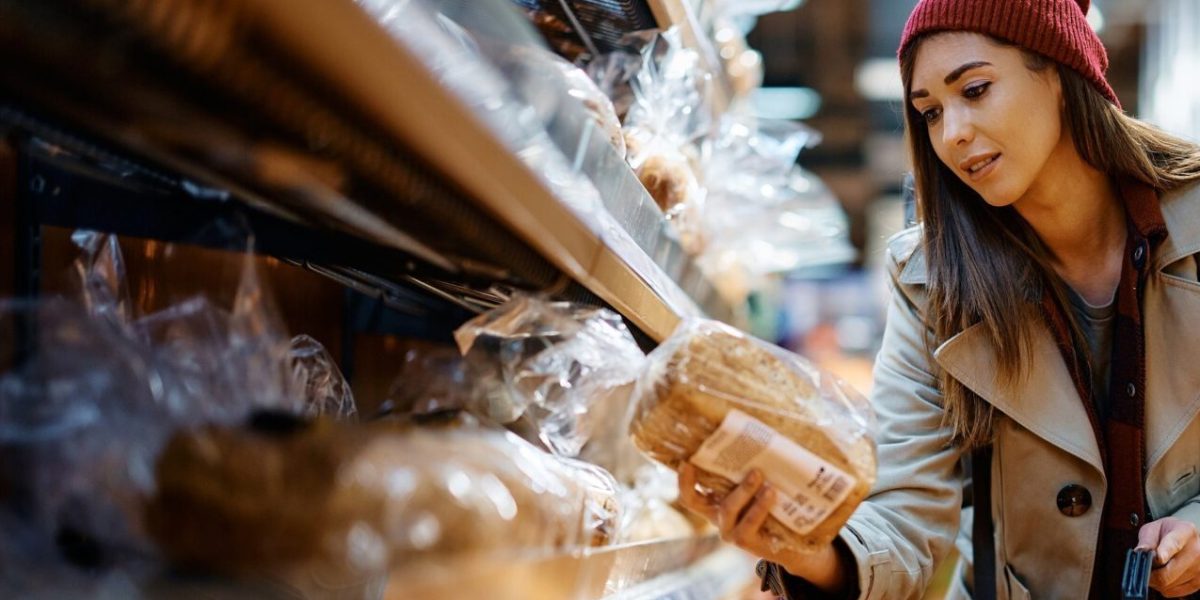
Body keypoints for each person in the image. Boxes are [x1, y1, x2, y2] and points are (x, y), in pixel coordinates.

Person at [675, 0, 1200, 598]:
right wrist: (810, 550)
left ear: (1059, 69)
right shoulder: (931, 284)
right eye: (928, 112)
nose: (952, 133)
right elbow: (907, 515)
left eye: (974, 89)